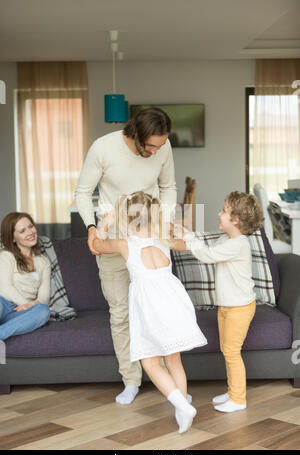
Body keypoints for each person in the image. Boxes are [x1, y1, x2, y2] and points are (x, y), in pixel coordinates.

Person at [75, 108, 177, 405]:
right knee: (121, 312)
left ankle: (168, 380)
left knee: (157, 310)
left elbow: (168, 187)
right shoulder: (103, 148)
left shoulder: (163, 146)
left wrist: (165, 221)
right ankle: (131, 380)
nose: (156, 151)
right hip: (114, 238)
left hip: (151, 238)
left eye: (161, 145)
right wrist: (92, 227)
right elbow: (83, 192)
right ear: (135, 134)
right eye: (151, 146)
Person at [93, 191, 207, 433]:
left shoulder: (124, 244)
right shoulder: (164, 238)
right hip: (174, 300)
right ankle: (182, 411)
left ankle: (182, 407)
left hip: (150, 306)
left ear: (125, 219)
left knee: (151, 362)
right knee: (173, 359)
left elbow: (96, 245)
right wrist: (173, 227)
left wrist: (104, 224)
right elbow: (187, 243)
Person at [173, 191, 264, 413]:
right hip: (228, 306)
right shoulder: (227, 239)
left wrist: (189, 238)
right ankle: (233, 391)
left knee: (232, 351)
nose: (219, 213)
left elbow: (207, 255)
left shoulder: (239, 244)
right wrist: (188, 234)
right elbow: (208, 246)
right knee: (227, 350)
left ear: (236, 220)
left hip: (240, 308)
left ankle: (238, 398)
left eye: (224, 210)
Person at [0, 213, 51, 341]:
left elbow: (44, 298)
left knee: (43, 312)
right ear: (13, 238)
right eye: (22, 231)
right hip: (3, 304)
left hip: (22, 314)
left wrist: (30, 306)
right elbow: (5, 287)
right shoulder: (6, 256)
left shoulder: (43, 262)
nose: (30, 232)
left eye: (31, 226)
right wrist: (25, 304)